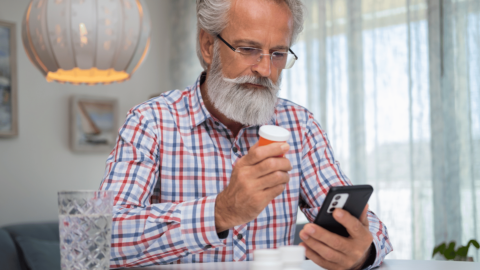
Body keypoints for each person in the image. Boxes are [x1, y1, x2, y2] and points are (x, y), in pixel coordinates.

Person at [100, 0, 393, 269]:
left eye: (278, 53)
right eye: (248, 49)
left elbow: (370, 227)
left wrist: (362, 252)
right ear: (207, 45)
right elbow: (104, 238)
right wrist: (221, 211)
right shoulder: (150, 122)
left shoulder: (300, 126)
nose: (266, 69)